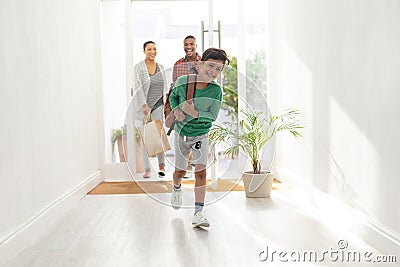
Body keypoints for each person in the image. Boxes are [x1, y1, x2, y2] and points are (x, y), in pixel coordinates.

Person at [168, 48, 230, 227]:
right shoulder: (183, 81)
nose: (214, 72)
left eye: (219, 69)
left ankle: (198, 213)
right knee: (180, 171)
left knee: (201, 173)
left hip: (201, 135)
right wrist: (177, 110)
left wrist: (194, 113)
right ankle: (177, 187)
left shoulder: (216, 91)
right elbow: (173, 97)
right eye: (211, 65)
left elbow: (213, 115)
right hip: (181, 133)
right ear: (201, 64)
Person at [168, 35, 202, 178]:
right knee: (180, 138)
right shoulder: (178, 64)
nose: (189, 47)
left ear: (196, 45)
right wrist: (175, 109)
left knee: (198, 137)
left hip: (197, 107)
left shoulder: (203, 63)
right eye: (186, 44)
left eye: (191, 44)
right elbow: (174, 86)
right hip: (181, 107)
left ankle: (198, 167)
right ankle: (182, 168)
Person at [133, 41, 167, 178]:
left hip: (159, 104)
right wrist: (144, 105)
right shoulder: (138, 68)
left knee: (159, 136)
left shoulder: (161, 67)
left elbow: (164, 87)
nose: (152, 51)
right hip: (145, 107)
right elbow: (137, 87)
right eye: (149, 49)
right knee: (146, 137)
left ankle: (162, 166)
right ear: (144, 51)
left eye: (154, 49)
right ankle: (147, 169)